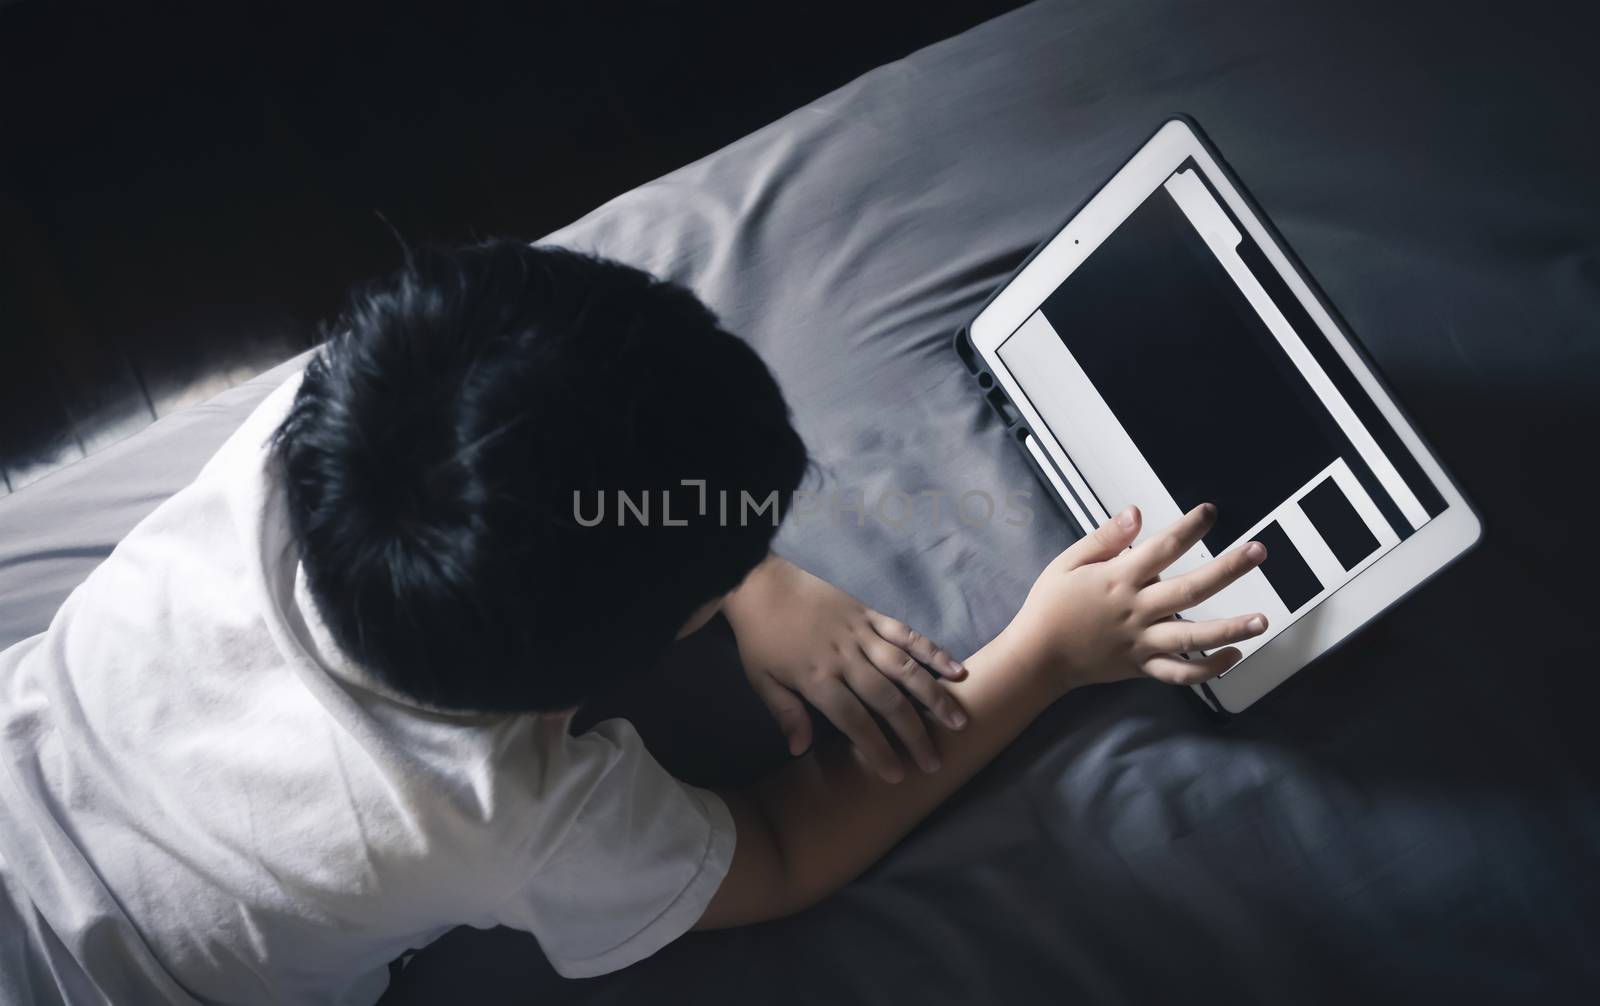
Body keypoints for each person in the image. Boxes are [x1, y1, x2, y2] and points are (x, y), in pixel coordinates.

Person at [0, 240, 1268, 1005]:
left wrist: (749, 577)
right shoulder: (514, 811)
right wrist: (1043, 657)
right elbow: (773, 855)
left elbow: (525, 461)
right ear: (634, 654)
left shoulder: (318, 419)